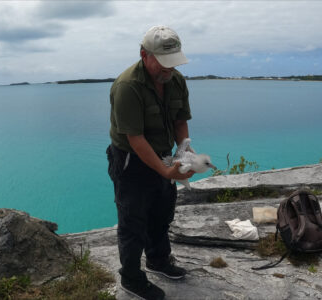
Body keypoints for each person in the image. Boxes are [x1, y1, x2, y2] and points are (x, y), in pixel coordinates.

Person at [106, 25, 194, 300]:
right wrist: (165, 170)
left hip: (163, 155)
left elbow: (180, 121)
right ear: (145, 55)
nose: (169, 69)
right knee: (133, 222)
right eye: (163, 62)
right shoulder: (127, 86)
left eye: (173, 62)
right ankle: (131, 278)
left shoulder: (176, 80)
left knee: (161, 212)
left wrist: (184, 153)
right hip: (131, 161)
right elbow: (135, 138)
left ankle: (158, 260)